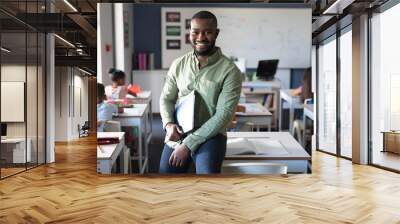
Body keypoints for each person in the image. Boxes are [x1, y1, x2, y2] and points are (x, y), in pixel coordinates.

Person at [159, 11, 242, 174]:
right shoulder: (178, 64)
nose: (200, 37)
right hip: (179, 132)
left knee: (207, 174)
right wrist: (168, 125)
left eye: (207, 32)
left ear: (216, 33)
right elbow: (166, 99)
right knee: (165, 174)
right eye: (195, 32)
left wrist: (188, 144)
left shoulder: (230, 71)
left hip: (211, 135)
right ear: (189, 33)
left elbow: (223, 115)